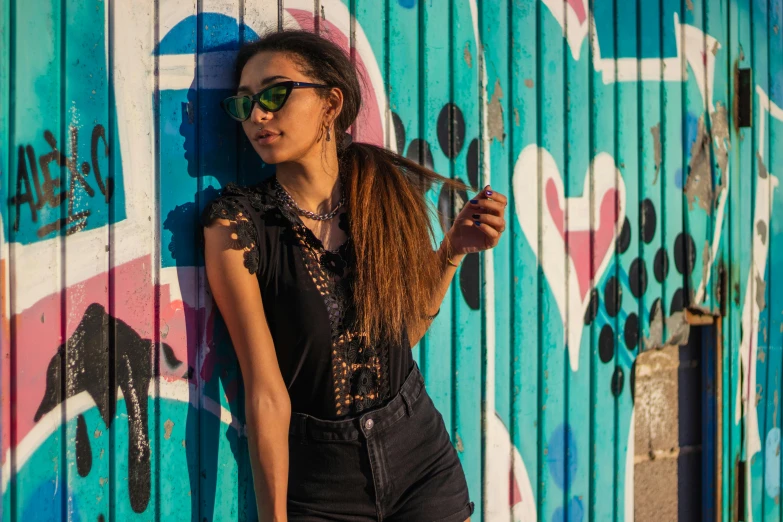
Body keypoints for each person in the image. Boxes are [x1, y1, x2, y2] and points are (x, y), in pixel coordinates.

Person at [201, 29, 507, 522]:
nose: (258, 115)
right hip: (321, 486)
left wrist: (452, 250)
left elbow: (401, 332)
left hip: (420, 460)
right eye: (244, 104)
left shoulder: (381, 189)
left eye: (275, 94)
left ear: (330, 103)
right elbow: (266, 392)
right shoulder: (238, 228)